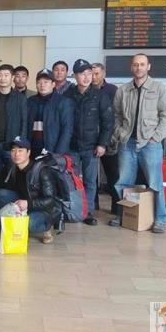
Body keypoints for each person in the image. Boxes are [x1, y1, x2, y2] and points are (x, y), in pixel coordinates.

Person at [109, 54, 166, 233]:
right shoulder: (123, 90)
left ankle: (160, 219)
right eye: (136, 65)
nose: (139, 68)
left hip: (150, 143)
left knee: (155, 183)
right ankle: (123, 215)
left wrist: (156, 137)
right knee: (123, 183)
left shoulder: (159, 88)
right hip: (127, 143)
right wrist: (120, 133)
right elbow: (116, 115)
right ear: (132, 67)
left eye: (142, 64)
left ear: (148, 67)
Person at [0, 136, 61, 244]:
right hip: (24, 202)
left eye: (20, 150)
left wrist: (28, 204)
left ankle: (47, 228)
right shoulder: (13, 168)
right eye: (13, 150)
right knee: (1, 194)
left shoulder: (41, 171)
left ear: (28, 153)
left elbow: (51, 200)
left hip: (43, 210)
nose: (16, 154)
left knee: (28, 223)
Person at [64, 59, 114, 226]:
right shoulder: (68, 96)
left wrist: (102, 144)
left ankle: (88, 212)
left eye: (88, 74)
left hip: (91, 147)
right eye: (82, 74)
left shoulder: (100, 96)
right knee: (72, 180)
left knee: (90, 182)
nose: (86, 77)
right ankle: (73, 210)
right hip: (71, 146)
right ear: (75, 76)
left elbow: (108, 122)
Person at [0, 64, 28, 205]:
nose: (3, 78)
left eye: (6, 75)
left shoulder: (20, 98)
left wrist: (21, 146)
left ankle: (10, 208)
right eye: (0, 75)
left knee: (13, 179)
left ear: (12, 77)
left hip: (12, 147)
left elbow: (24, 122)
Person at [91, 62, 120, 213]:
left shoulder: (113, 90)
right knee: (91, 175)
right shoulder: (85, 89)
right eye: (91, 73)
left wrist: (113, 135)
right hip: (90, 138)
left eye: (97, 73)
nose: (93, 77)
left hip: (109, 139)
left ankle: (116, 207)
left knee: (112, 173)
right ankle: (93, 205)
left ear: (104, 74)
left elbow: (117, 114)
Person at [27, 68, 73, 157]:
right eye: (39, 82)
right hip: (32, 150)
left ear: (53, 84)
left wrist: (58, 154)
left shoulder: (63, 102)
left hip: (52, 150)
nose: (42, 85)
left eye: (46, 82)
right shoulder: (30, 101)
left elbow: (67, 131)